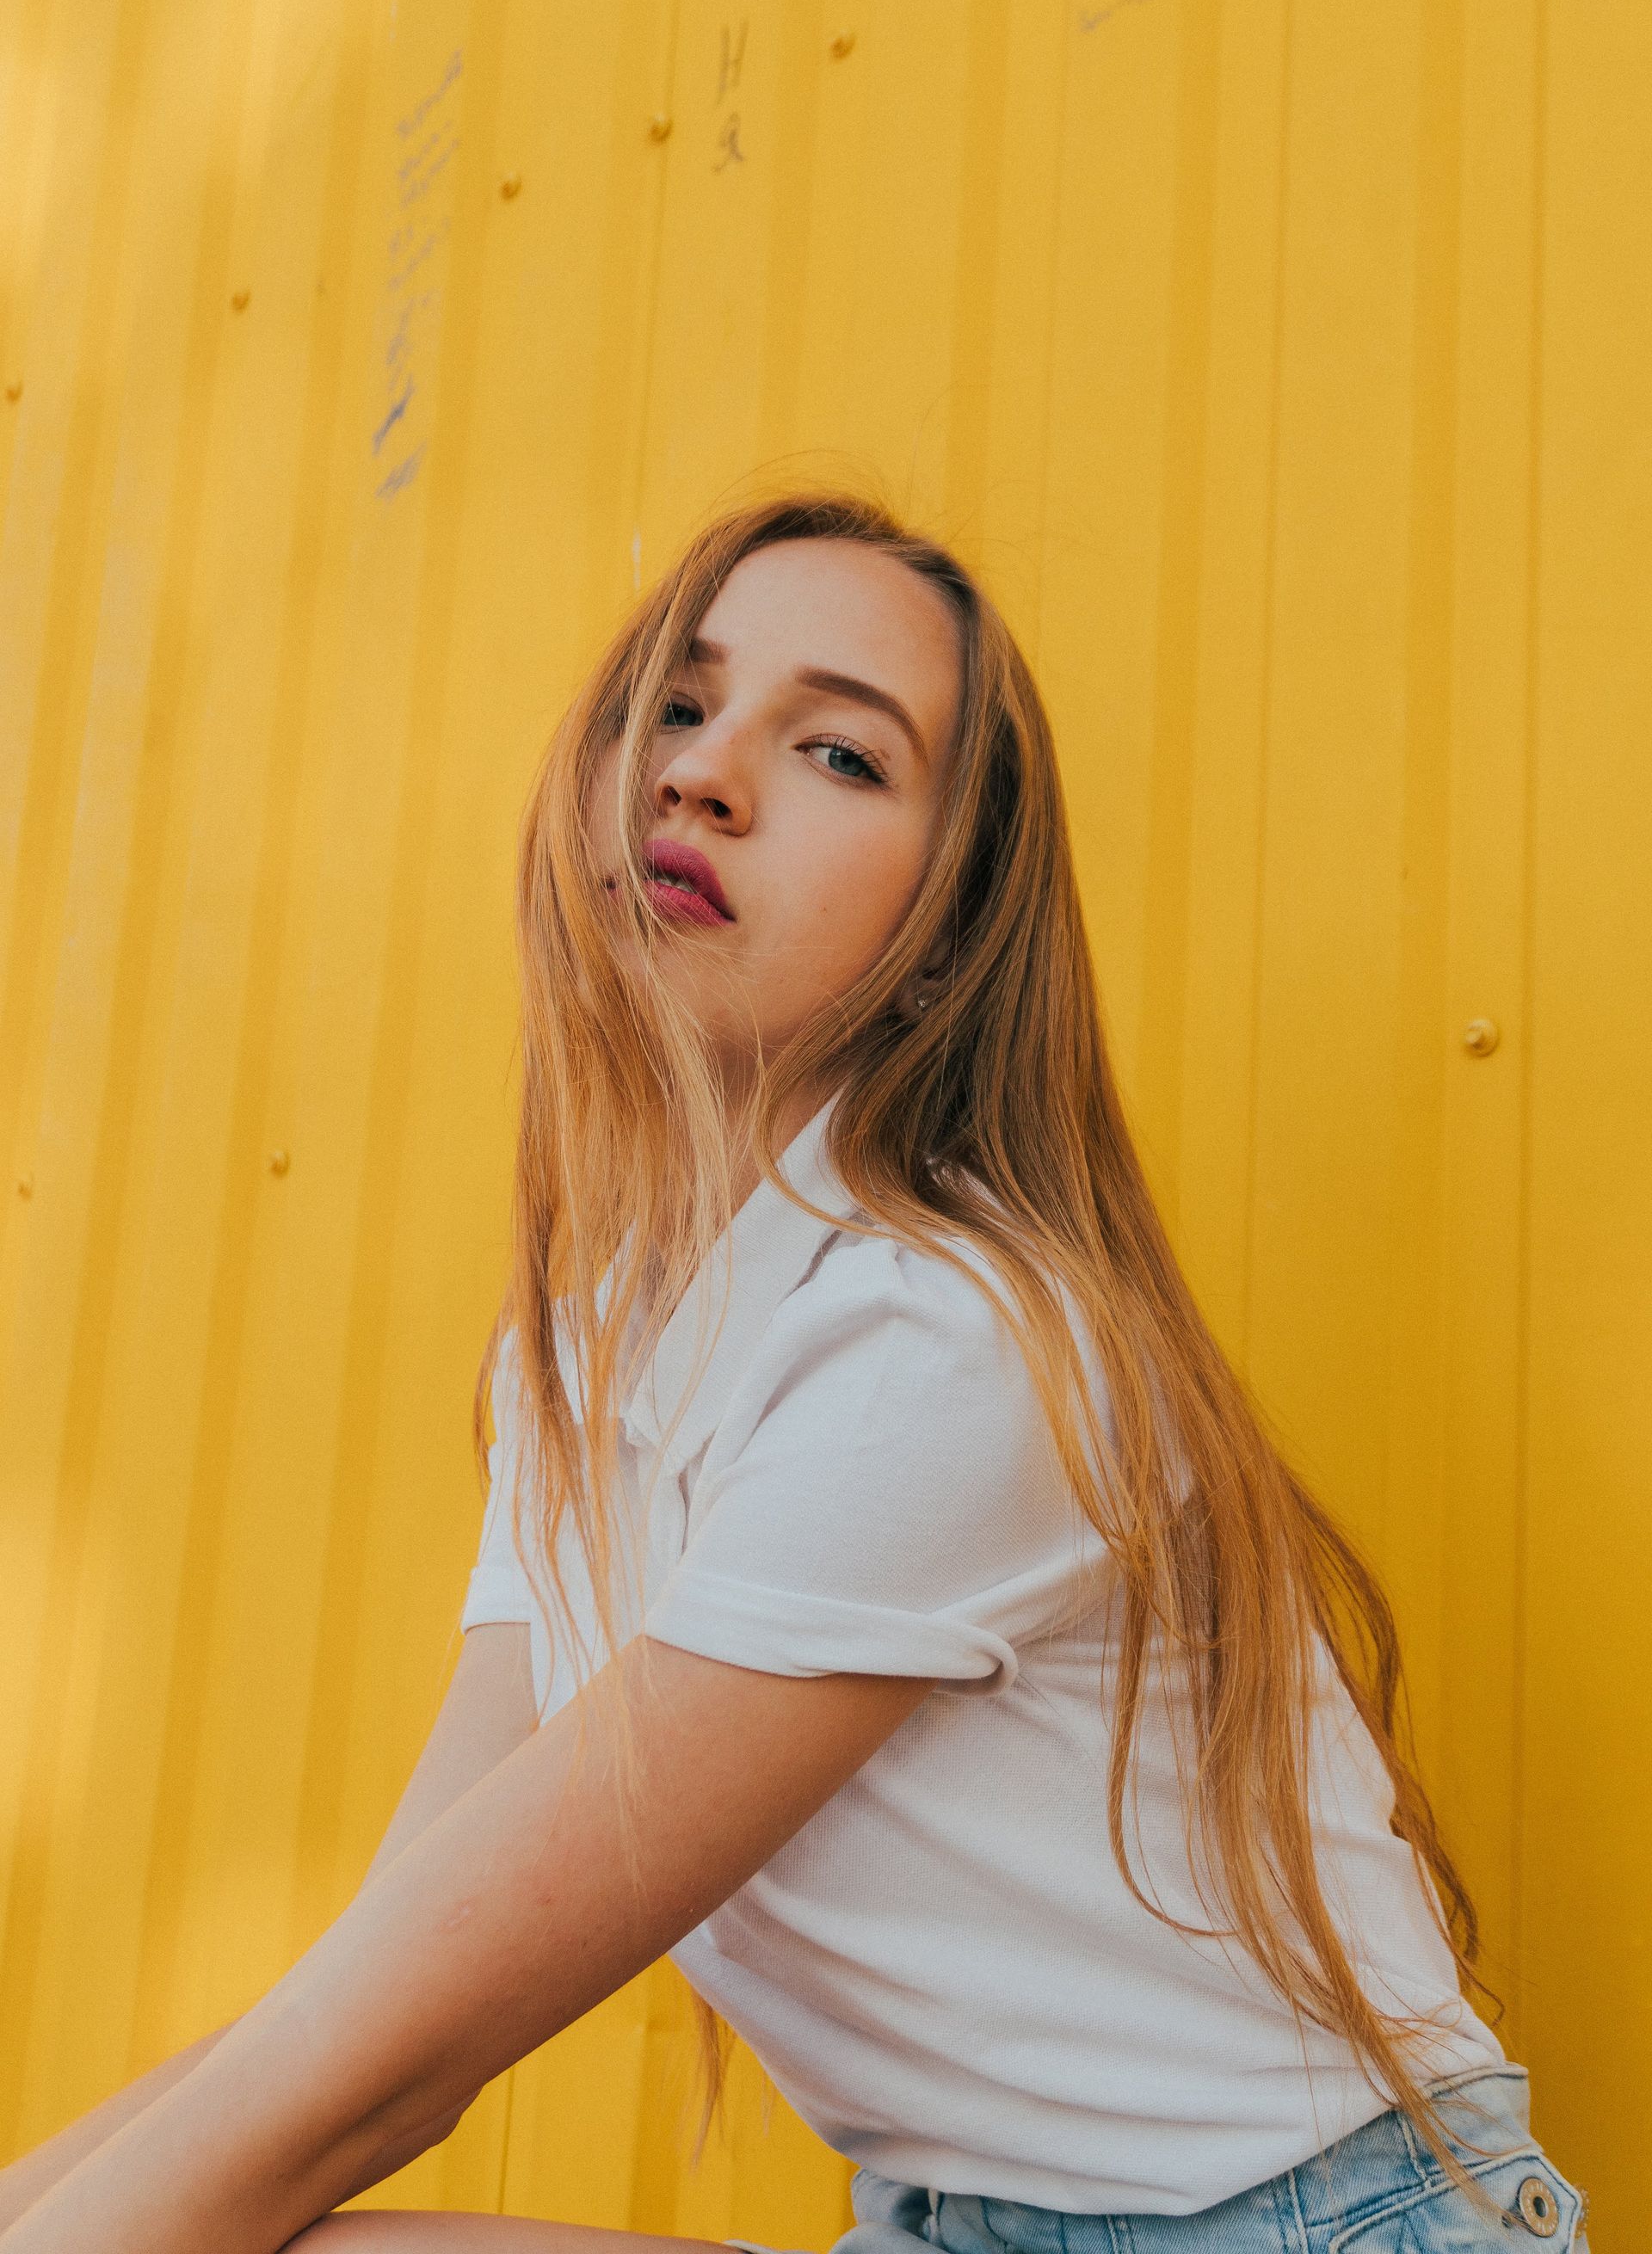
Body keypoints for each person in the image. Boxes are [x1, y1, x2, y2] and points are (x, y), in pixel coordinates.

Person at [0, 495, 1589, 2254]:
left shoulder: (948, 1339)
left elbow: (387, 2069)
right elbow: (364, 1998)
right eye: (676, 708)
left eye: (838, 752)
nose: (704, 776)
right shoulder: (581, 1360)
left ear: (949, 934)